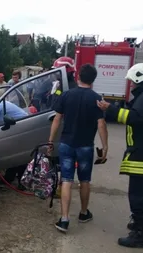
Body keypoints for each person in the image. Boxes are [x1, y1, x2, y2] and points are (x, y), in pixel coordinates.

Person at [97, 63, 143, 248]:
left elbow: (137, 118)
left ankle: (141, 235)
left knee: (140, 196)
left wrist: (111, 109)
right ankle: (139, 227)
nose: (130, 84)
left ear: (139, 78)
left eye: (132, 80)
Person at [48, 64, 108, 233]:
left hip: (66, 144)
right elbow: (101, 124)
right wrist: (105, 147)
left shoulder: (66, 95)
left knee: (66, 180)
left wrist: (51, 140)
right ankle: (83, 213)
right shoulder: (97, 98)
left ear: (78, 76)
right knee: (85, 180)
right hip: (85, 146)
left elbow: (57, 120)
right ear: (93, 80)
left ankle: (64, 220)